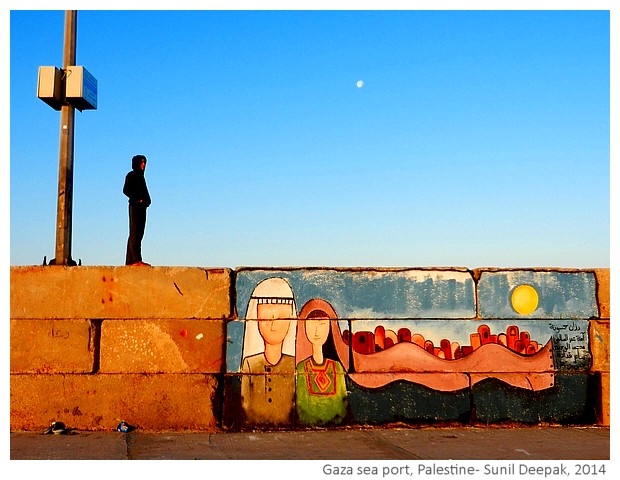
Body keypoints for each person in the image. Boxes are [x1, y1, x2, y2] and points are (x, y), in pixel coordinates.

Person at [240, 277, 297, 426]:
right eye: (265, 318)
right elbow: (245, 404)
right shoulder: (250, 364)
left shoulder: (294, 364)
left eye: (281, 318)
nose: (273, 325)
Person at [295, 299, 348, 426]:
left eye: (322, 325)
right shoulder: (302, 367)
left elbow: (342, 403)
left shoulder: (337, 367)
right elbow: (301, 404)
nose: (317, 331)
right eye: (311, 325)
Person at [123, 154, 151, 266]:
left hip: (142, 207)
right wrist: (138, 199)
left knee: (138, 232)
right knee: (135, 232)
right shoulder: (132, 175)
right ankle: (135, 259)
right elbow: (126, 190)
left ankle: (130, 261)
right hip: (135, 206)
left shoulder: (141, 177)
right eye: (141, 162)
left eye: (145, 162)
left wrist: (146, 201)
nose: (143, 164)